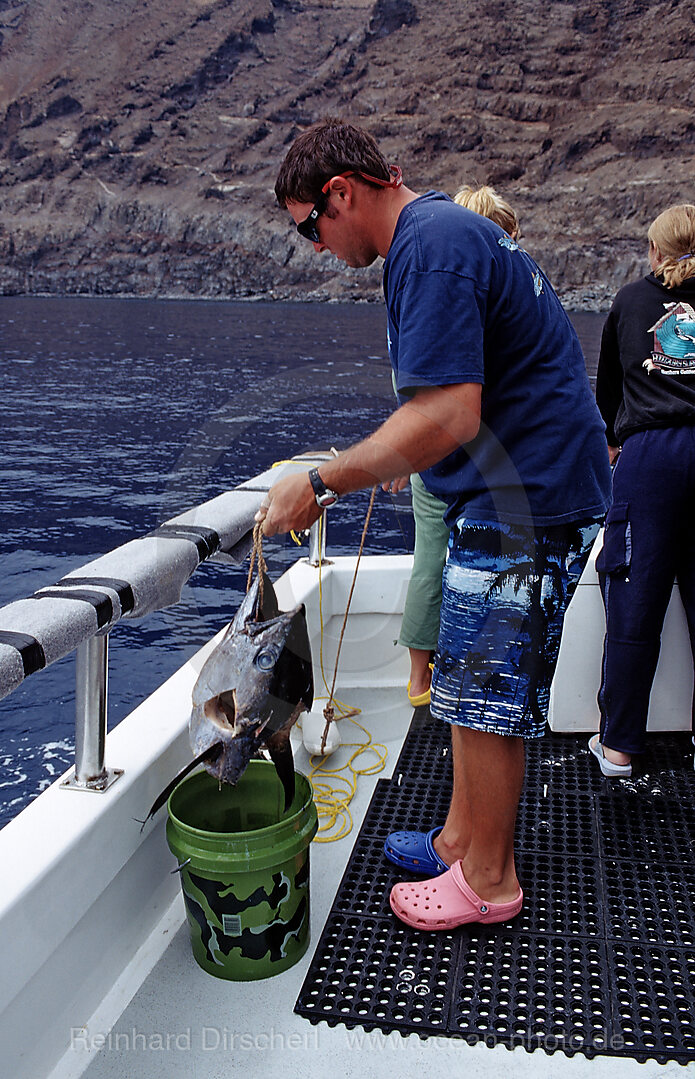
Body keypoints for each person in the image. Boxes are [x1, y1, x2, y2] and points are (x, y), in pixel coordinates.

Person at [257, 118, 611, 929]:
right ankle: (458, 839)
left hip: (528, 493)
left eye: (310, 225)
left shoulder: (431, 246)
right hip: (516, 487)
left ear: (341, 193)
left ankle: (486, 880)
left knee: (486, 692)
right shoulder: (441, 231)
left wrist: (318, 482)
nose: (315, 247)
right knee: (461, 684)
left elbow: (448, 412)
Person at [393, 184, 523, 708]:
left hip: (432, 460)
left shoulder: (434, 286)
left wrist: (404, 450)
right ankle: (476, 678)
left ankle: (420, 681)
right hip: (482, 465)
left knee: (430, 559)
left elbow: (422, 379)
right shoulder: (493, 289)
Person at [592, 204, 695, 777]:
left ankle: (620, 748)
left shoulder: (632, 301)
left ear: (655, 252)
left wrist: (613, 446)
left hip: (650, 457)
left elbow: (607, 395)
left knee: (634, 605)